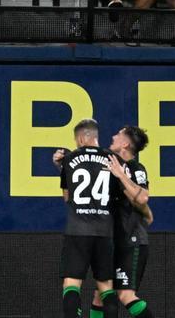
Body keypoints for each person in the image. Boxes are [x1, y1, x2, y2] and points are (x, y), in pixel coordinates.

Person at [55, 119, 120, 318]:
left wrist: (61, 166)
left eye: (76, 140)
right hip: (104, 232)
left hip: (77, 231)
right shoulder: (112, 159)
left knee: (71, 284)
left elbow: (68, 198)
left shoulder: (69, 159)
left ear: (82, 138)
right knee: (106, 287)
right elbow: (116, 196)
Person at [89, 127, 155, 318]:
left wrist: (121, 174)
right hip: (112, 239)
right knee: (100, 295)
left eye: (118, 135)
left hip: (131, 239)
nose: (113, 136)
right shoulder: (109, 165)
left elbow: (142, 198)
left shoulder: (135, 168)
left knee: (125, 294)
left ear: (125, 144)